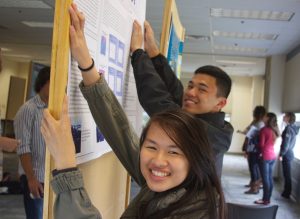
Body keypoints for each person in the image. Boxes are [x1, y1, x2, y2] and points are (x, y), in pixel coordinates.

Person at [40, 3, 226, 219]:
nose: (158, 160)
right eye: (151, 146)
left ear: (195, 158)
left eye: (174, 151)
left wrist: (65, 167)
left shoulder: (192, 210)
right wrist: (87, 64)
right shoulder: (176, 183)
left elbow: (154, 98)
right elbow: (121, 131)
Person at [130, 20, 233, 177]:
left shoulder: (205, 134)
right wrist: (154, 53)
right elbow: (177, 93)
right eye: (191, 86)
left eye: (202, 89)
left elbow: (158, 102)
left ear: (220, 102)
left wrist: (138, 53)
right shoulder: (212, 123)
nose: (191, 92)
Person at [14, 66, 50, 219]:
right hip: (35, 177)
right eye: (53, 82)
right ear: (43, 83)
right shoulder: (28, 109)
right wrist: (31, 179)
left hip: (50, 177)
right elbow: (23, 147)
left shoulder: (52, 109)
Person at [254, 112, 280, 205]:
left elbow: (261, 145)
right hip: (272, 156)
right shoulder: (274, 129)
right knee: (269, 178)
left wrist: (254, 141)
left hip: (265, 156)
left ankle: (265, 200)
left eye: (265, 116)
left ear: (268, 118)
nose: (263, 117)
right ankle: (267, 199)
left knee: (265, 179)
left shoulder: (264, 130)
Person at [242, 106, 266, 194]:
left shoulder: (259, 123)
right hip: (252, 147)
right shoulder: (256, 122)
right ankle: (253, 184)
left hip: (254, 148)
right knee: (253, 167)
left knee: (253, 168)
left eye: (254, 111)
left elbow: (251, 135)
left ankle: (255, 188)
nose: (253, 112)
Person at [279, 112, 299, 199]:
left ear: (289, 118)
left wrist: (281, 154)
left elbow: (286, 144)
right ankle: (286, 191)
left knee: (287, 174)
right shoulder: (292, 128)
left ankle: (287, 193)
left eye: (285, 116)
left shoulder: (288, 129)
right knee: (287, 174)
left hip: (287, 154)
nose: (284, 117)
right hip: (289, 153)